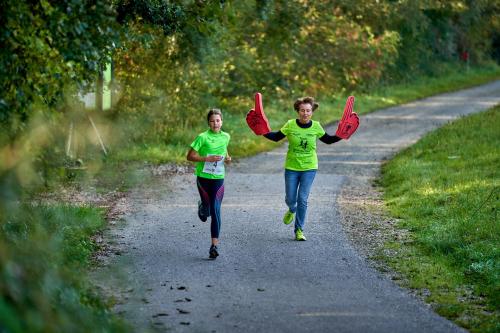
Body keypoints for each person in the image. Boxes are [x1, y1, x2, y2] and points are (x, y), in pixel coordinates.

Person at [262, 97, 342, 241]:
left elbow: (328, 140)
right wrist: (260, 130)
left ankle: (299, 230)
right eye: (302, 110)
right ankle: (292, 209)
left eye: (308, 111)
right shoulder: (290, 125)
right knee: (291, 199)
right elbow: (276, 137)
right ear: (298, 111)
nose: (305, 113)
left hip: (309, 167)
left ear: (312, 112)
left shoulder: (316, 126)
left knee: (303, 199)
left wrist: (342, 135)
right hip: (292, 167)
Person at [187, 108, 231, 259]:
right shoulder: (202, 137)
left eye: (218, 120)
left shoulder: (226, 136)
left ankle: (214, 246)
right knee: (207, 211)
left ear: (222, 121)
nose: (215, 123)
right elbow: (190, 156)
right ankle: (202, 207)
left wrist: (228, 158)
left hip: (218, 178)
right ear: (208, 122)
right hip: (203, 178)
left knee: (216, 210)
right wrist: (206, 159)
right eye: (212, 121)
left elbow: (225, 152)